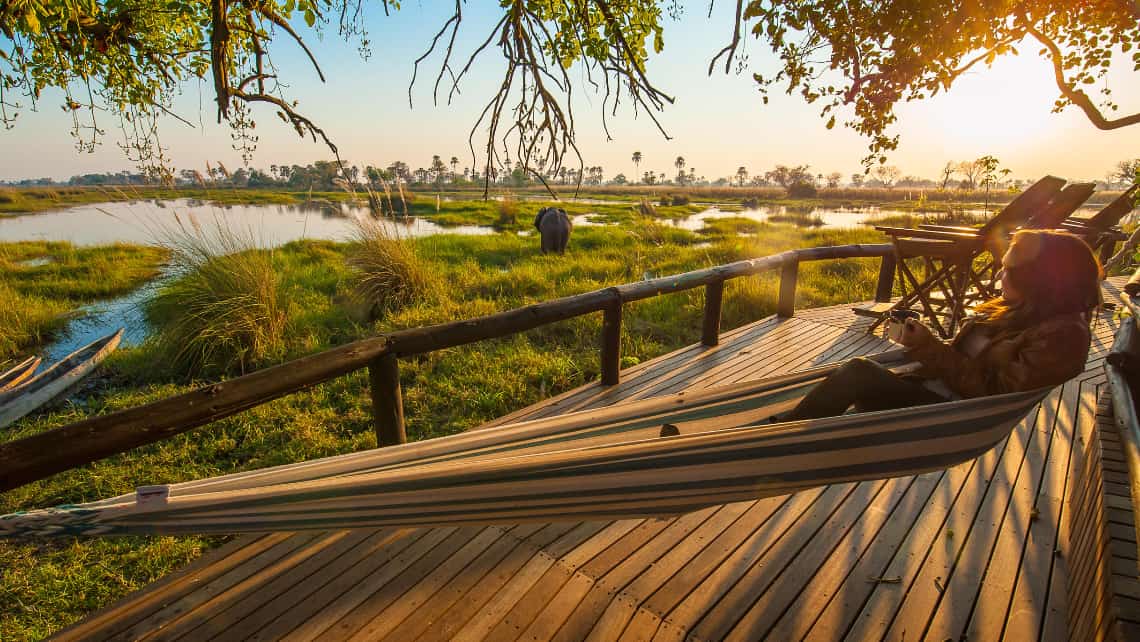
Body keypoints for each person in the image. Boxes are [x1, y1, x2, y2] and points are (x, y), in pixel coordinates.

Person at [783, 229, 1102, 421]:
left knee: (858, 372)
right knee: (849, 382)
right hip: (935, 392)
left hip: (953, 416)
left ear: (1039, 281)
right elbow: (966, 361)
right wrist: (926, 343)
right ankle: (781, 429)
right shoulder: (1021, 310)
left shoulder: (1063, 336)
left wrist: (929, 348)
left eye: (1009, 271)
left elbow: (995, 392)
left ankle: (778, 436)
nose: (1000, 277)